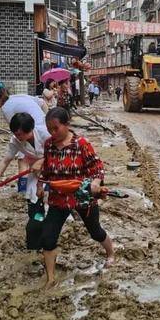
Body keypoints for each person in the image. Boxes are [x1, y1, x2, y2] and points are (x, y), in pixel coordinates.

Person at [36, 107, 114, 287]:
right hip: (58, 198)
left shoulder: (81, 144)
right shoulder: (49, 144)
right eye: (49, 129)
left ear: (67, 125)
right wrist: (40, 185)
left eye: (56, 128)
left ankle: (110, 253)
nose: (52, 133)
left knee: (95, 232)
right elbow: (46, 169)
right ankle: (50, 278)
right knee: (48, 238)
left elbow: (97, 167)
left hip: (82, 196)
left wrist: (96, 183)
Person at [0, 113, 50, 246]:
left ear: (30, 129)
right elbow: (5, 161)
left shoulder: (45, 134)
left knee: (52, 198)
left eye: (20, 134)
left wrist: (44, 160)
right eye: (15, 133)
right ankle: (36, 223)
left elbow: (61, 151)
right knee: (33, 198)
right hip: (35, 172)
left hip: (54, 169)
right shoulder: (15, 140)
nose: (17, 137)